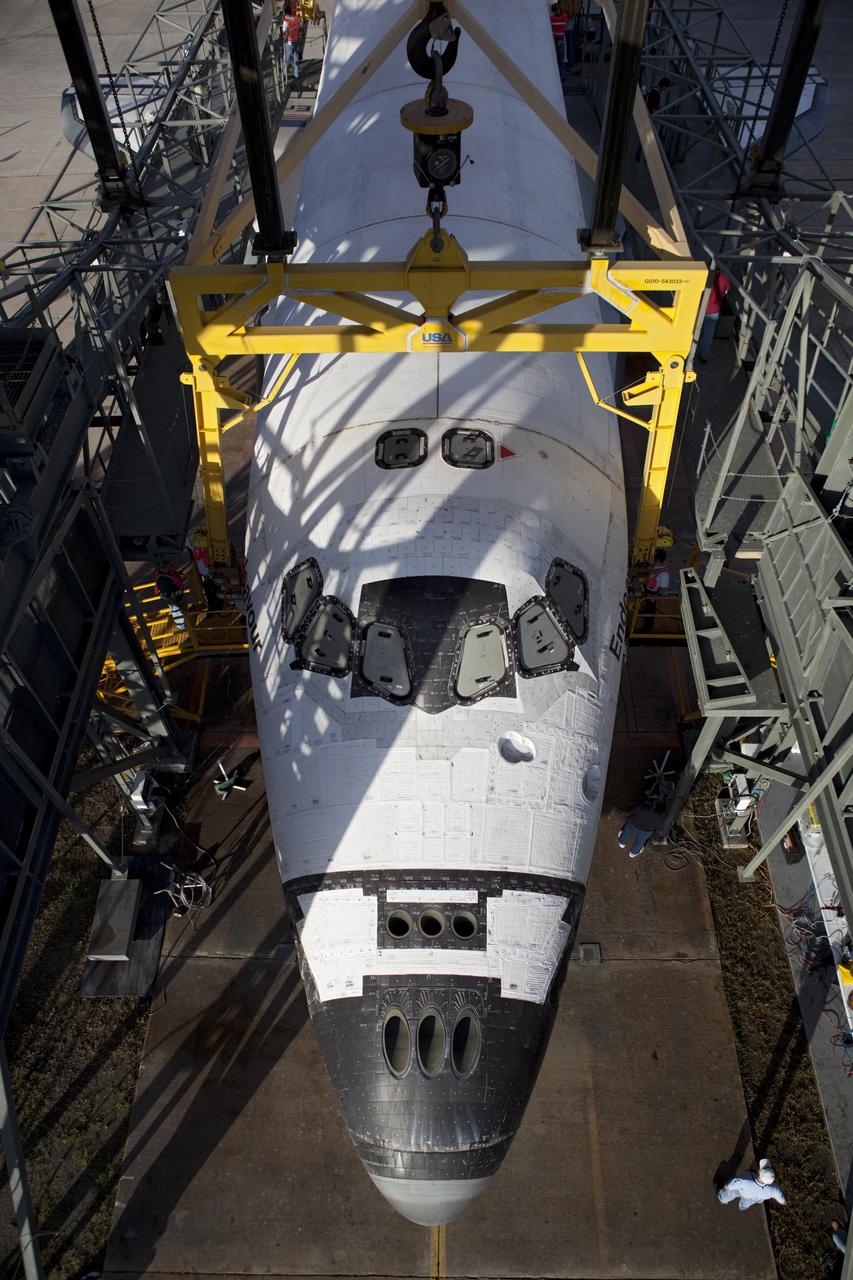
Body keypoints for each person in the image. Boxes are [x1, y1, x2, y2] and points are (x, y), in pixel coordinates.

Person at [718, 1158, 787, 1211]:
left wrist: (726, 1186)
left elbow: (733, 1184)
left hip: (743, 1191)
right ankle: (742, 1206)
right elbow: (781, 1198)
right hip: (754, 1197)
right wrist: (784, 1202)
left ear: (759, 1171)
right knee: (747, 1202)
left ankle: (722, 1198)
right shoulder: (774, 1189)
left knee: (732, 1192)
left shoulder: (747, 1178)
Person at [697, 269, 732, 363]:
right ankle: (704, 356)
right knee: (708, 335)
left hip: (700, 308)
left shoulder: (705, 274)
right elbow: (726, 292)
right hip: (714, 310)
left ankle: (691, 350)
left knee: (695, 331)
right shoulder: (725, 277)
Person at [638, 547, 672, 632]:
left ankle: (647, 628)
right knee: (646, 608)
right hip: (648, 590)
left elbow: (663, 589)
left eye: (653, 557)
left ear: (657, 559)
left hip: (652, 595)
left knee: (649, 612)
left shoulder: (664, 575)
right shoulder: (657, 566)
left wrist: (653, 596)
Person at [282, 2, 302, 81]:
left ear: (285, 12)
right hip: (296, 41)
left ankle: (285, 75)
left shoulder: (285, 22)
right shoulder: (296, 18)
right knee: (296, 59)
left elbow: (284, 33)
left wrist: (284, 40)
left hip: (289, 43)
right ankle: (296, 75)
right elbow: (300, 27)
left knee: (286, 59)